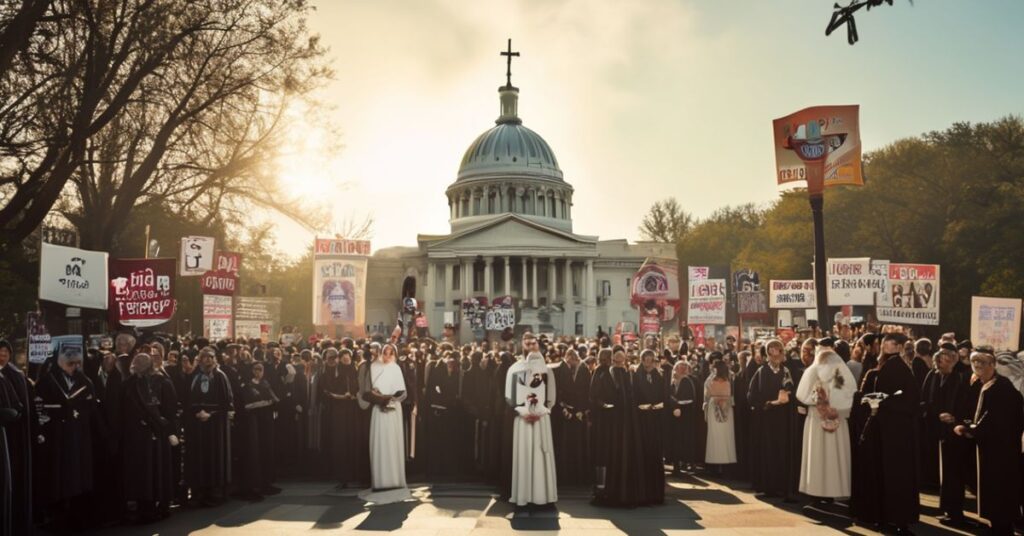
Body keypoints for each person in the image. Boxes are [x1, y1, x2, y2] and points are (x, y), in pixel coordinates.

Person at [852, 332, 920, 534]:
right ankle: (889, 517)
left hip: (892, 432)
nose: (885, 345)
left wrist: (881, 401)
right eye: (885, 342)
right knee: (888, 474)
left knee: (891, 475)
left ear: (899, 347)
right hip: (888, 432)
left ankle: (890, 518)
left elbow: (907, 399)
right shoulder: (889, 365)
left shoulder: (894, 366)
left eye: (891, 342)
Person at [955, 350, 1024, 535]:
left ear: (993, 365)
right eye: (974, 361)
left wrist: (971, 430)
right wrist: (967, 424)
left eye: (982, 362)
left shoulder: (1002, 387)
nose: (977, 365)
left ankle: (1003, 527)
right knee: (990, 490)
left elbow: (994, 418)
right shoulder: (981, 383)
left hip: (1002, 449)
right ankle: (995, 524)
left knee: (1001, 490)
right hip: (988, 447)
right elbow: (973, 410)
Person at [35, 344, 98, 529]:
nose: (74, 368)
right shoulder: (47, 381)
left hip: (79, 436)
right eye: (70, 364)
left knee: (79, 474)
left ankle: (78, 513)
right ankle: (57, 514)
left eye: (76, 364)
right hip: (57, 437)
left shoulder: (84, 381)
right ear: (60, 363)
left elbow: (92, 404)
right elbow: (39, 406)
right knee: (58, 475)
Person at [120, 353, 178, 522]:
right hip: (137, 436)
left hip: (157, 433)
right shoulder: (129, 384)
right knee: (141, 473)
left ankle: (160, 505)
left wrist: (169, 430)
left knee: (157, 470)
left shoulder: (162, 382)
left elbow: (170, 408)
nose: (135, 365)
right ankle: (144, 505)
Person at [795, 342, 856, 500]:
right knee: (832, 455)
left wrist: (821, 402)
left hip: (818, 419)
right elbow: (848, 395)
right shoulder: (839, 373)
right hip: (833, 420)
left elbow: (802, 395)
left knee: (819, 455)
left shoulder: (816, 371)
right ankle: (831, 489)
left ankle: (818, 490)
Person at [504, 333, 557, 508]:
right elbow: (510, 397)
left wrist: (541, 411)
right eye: (527, 344)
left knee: (541, 455)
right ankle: (524, 496)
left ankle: (542, 496)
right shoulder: (515, 368)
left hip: (541, 420)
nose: (531, 347)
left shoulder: (547, 370)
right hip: (523, 419)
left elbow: (551, 397)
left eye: (533, 343)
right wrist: (523, 411)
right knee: (526, 454)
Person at [590, 347, 648, 507]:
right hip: (607, 424)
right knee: (605, 457)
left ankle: (623, 492)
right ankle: (602, 491)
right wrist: (603, 406)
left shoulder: (628, 374)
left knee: (622, 456)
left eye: (621, 360)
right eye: (615, 360)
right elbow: (594, 395)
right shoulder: (602, 372)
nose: (617, 362)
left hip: (625, 425)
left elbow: (634, 395)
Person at [922, 344, 971, 524]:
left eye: (948, 359)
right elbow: (925, 400)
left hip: (955, 431)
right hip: (936, 429)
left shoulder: (960, 378)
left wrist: (954, 417)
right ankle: (947, 510)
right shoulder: (932, 376)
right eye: (941, 359)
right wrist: (936, 414)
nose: (944, 363)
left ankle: (955, 512)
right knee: (945, 473)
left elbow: (966, 403)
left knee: (954, 473)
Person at [746, 339, 798, 500]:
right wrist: (767, 404)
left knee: (781, 450)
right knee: (768, 450)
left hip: (782, 418)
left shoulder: (786, 371)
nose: (776, 353)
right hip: (767, 418)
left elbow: (791, 388)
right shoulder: (762, 372)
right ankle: (768, 486)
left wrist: (786, 394)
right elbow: (752, 395)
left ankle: (782, 486)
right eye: (772, 350)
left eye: (779, 350)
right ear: (768, 353)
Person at [358, 344, 410, 503]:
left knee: (393, 442)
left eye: (390, 352)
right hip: (378, 409)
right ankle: (380, 481)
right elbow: (366, 391)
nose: (387, 355)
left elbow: (403, 392)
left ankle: (394, 480)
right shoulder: (373, 368)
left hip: (394, 408)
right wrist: (378, 398)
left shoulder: (396, 369)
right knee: (379, 443)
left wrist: (391, 399)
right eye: (385, 352)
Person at [184, 347, 234, 507]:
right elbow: (187, 398)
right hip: (197, 425)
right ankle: (200, 491)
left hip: (215, 426)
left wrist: (211, 414)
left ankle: (215, 492)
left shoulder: (220, 377)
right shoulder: (194, 376)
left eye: (210, 357)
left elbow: (227, 402)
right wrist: (196, 412)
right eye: (204, 357)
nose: (207, 360)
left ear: (215, 359)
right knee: (198, 457)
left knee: (215, 457)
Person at [0, 339, 32, 535]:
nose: (2, 354)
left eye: (5, 351)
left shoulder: (15, 376)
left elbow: (20, 409)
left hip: (12, 439)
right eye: (0, 351)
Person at [237, 362, 279, 501]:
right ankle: (255, 486)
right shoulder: (247, 386)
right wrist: (264, 403)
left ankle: (266, 483)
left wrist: (268, 401)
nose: (258, 372)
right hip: (253, 423)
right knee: (255, 453)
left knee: (267, 451)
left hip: (266, 421)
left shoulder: (265, 384)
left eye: (261, 370)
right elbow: (247, 405)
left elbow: (275, 399)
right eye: (256, 369)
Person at [321, 348, 360, 487]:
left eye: (348, 357)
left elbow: (359, 387)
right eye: (343, 358)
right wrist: (342, 396)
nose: (345, 360)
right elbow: (328, 391)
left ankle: (353, 474)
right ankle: (343, 476)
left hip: (353, 410)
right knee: (341, 442)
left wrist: (355, 395)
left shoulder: (355, 371)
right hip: (339, 410)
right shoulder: (334, 373)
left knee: (352, 440)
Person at [633, 349, 666, 505]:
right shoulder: (635, 375)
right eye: (646, 359)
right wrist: (641, 406)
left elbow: (664, 393)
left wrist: (660, 405)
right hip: (642, 417)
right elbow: (633, 394)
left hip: (655, 417)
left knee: (655, 451)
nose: (648, 362)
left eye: (651, 359)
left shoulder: (658, 376)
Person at [554, 347, 590, 486]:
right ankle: (572, 474)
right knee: (571, 444)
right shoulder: (569, 369)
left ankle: (576, 474)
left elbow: (586, 391)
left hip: (577, 412)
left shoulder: (583, 370)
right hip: (570, 412)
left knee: (576, 444)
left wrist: (582, 410)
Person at [666, 360, 701, 475]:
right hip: (673, 416)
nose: (681, 370)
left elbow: (692, 398)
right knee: (675, 440)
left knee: (686, 440)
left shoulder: (689, 381)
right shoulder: (670, 381)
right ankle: (677, 465)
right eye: (679, 368)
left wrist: (677, 403)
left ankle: (688, 463)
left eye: (684, 368)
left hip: (686, 416)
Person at [704, 359, 736, 469]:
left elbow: (707, 394)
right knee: (726, 434)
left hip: (714, 406)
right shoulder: (730, 378)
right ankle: (727, 460)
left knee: (715, 434)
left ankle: (715, 461)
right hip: (727, 406)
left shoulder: (710, 379)